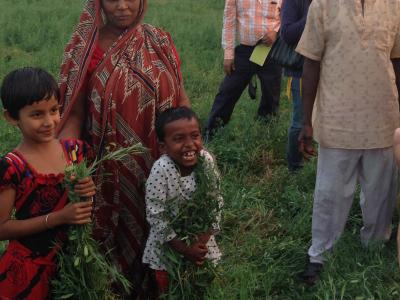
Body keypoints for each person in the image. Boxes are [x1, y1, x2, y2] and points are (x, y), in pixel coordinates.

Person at [58, 0, 190, 296]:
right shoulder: (84, 48)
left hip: (159, 166)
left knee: (158, 223)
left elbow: (180, 100)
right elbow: (74, 114)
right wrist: (69, 163)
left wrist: (192, 150)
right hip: (106, 171)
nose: (122, 6)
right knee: (108, 246)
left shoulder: (159, 40)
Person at [297, 0, 400, 285]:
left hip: (384, 117)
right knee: (330, 194)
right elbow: (310, 62)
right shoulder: (323, 4)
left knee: (381, 192)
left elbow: (397, 61)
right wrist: (306, 121)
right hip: (336, 117)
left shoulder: (395, 5)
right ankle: (319, 255)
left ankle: (375, 248)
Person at [0, 67, 95, 299]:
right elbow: (2, 227)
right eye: (36, 114)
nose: (49, 121)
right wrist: (58, 218)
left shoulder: (74, 152)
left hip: (73, 265)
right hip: (29, 271)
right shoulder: (12, 167)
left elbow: (85, 204)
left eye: (54, 110)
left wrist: (88, 190)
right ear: (11, 117)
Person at [142, 107, 222, 295]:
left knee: (201, 285)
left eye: (195, 136)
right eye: (178, 139)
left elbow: (215, 202)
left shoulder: (206, 161)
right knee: (171, 287)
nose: (189, 145)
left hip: (200, 239)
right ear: (163, 146)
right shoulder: (161, 170)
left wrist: (201, 243)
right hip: (169, 244)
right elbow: (156, 214)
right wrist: (184, 248)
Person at [205, 0, 283, 139]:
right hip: (245, 51)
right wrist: (228, 55)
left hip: (271, 51)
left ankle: (265, 136)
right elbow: (229, 22)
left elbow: (287, 16)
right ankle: (211, 134)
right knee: (228, 91)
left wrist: (276, 32)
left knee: (271, 95)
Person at [280, 0, 312, 171]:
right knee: (300, 121)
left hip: (329, 72)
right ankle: (295, 168)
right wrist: (313, 13)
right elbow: (287, 33)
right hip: (300, 72)